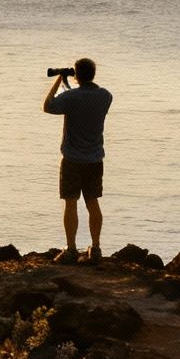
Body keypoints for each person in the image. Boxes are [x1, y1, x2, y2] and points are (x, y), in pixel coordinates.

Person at [41, 57, 111, 263]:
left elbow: (48, 106)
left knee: (70, 203)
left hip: (72, 159)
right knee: (93, 202)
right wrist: (69, 84)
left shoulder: (71, 97)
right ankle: (96, 248)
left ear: (77, 75)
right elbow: (80, 98)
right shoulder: (106, 96)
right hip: (95, 159)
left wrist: (59, 80)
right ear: (93, 74)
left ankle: (71, 249)